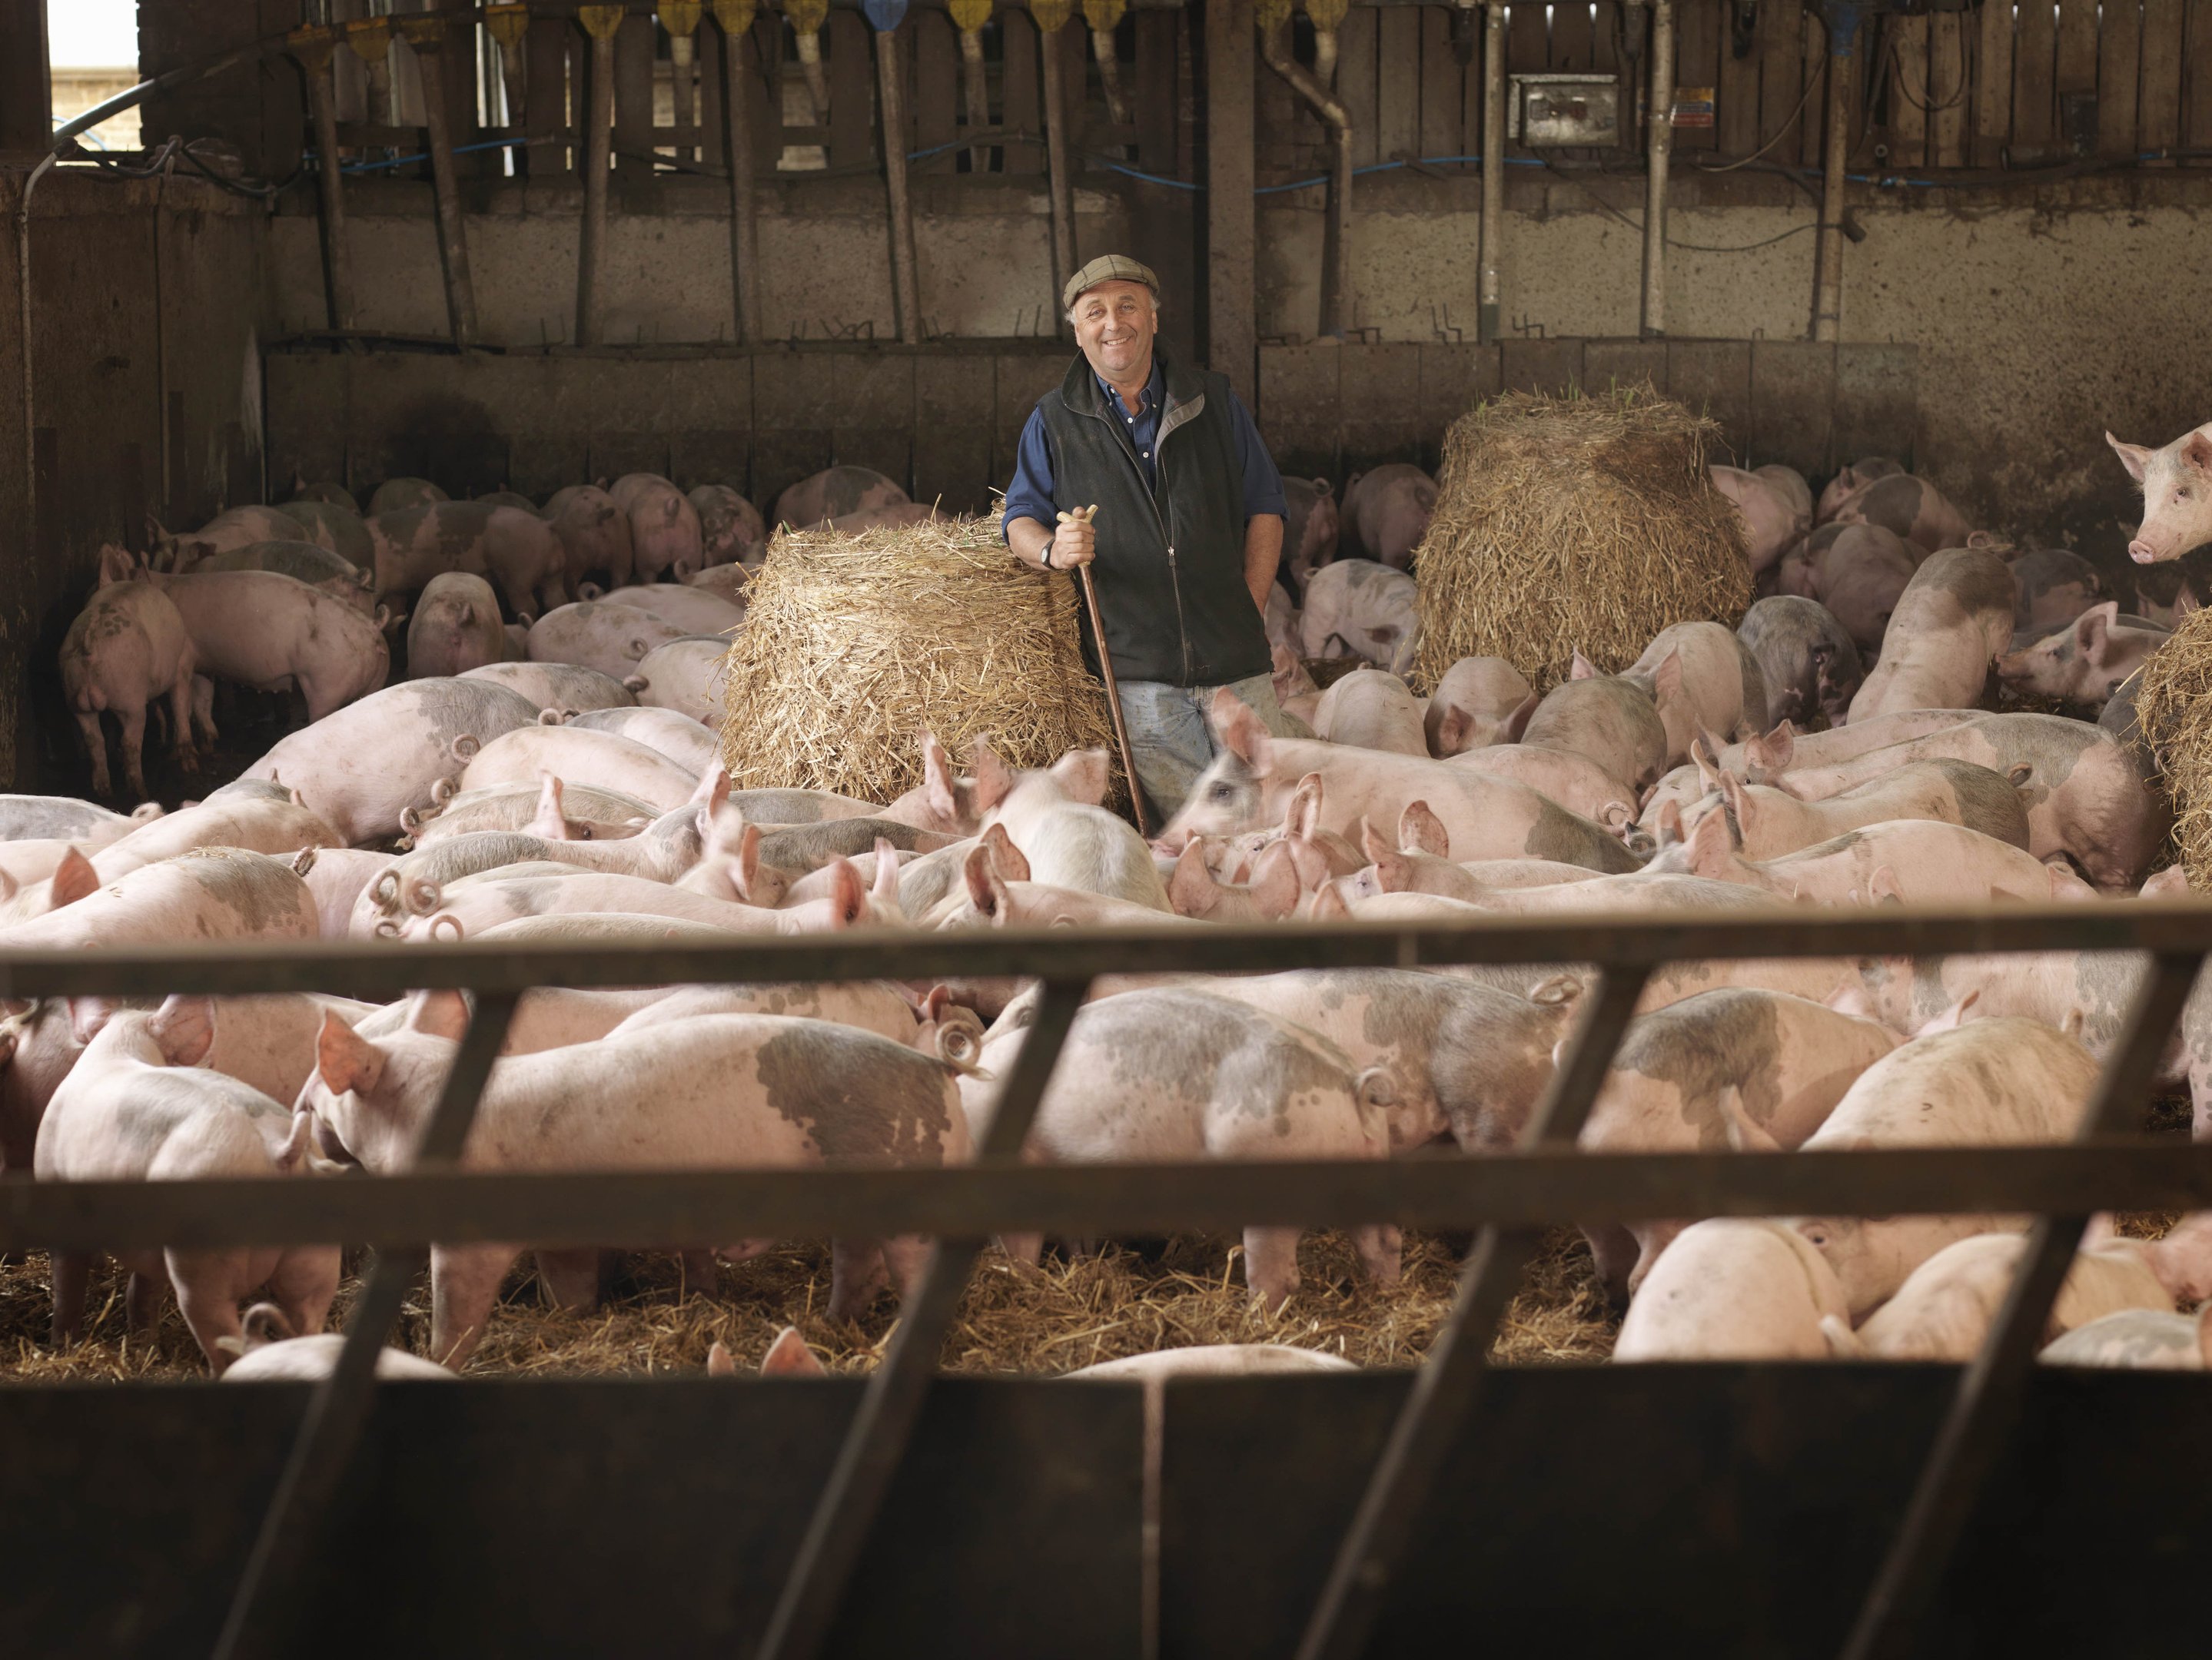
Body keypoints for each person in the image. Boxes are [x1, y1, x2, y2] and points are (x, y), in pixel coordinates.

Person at [1001, 254, 1301, 825]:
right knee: (1196, 831)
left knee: (1271, 818)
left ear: (1154, 319)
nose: (1114, 323)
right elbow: (1020, 516)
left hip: (1235, 663)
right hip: (1140, 678)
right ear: (1078, 329)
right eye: (1096, 312)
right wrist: (1051, 549)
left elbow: (1265, 506)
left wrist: (1252, 604)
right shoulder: (1054, 420)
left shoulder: (1213, 402)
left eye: (1127, 306)